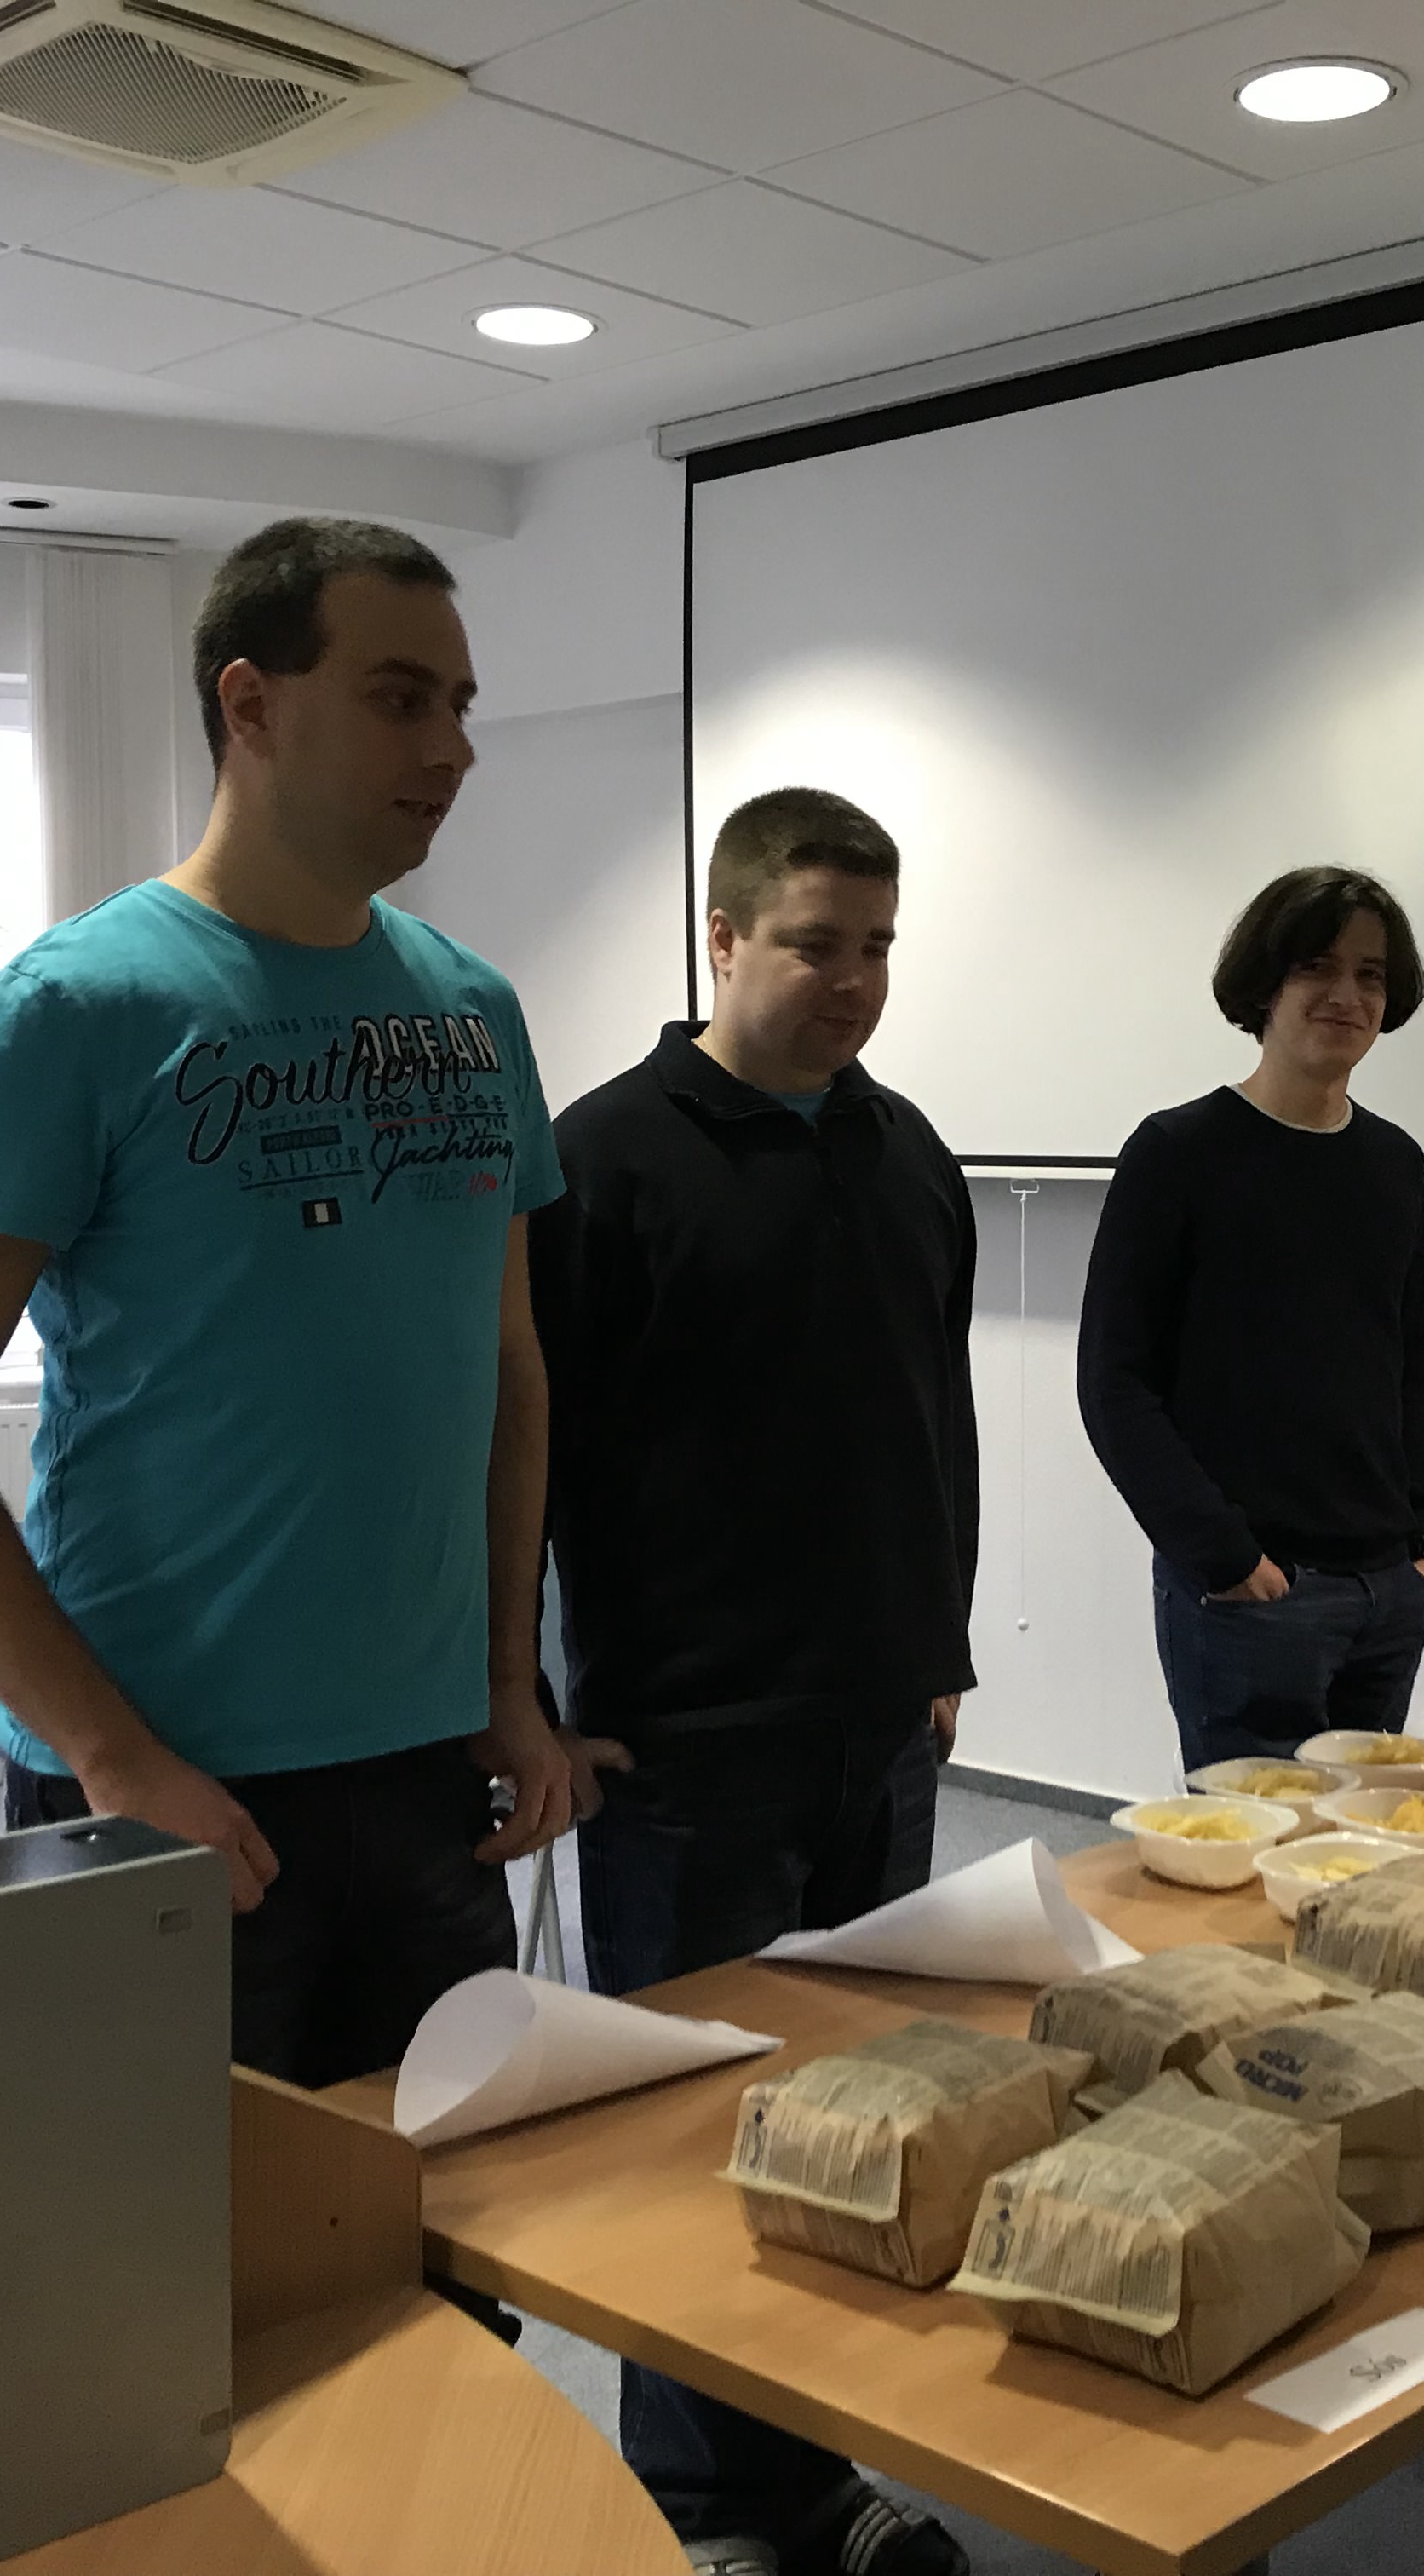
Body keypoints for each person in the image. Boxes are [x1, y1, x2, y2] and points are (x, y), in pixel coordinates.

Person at [0, 515, 573, 2098]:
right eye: (398, 698)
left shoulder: (474, 1011)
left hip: (426, 1771)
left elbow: (506, 1373)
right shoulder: (74, 1009)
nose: (450, 747)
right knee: (169, 2241)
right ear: (250, 702)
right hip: (169, 1785)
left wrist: (509, 1683)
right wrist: (111, 1755)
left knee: (433, 2218)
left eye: (458, 704)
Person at [534, 785, 977, 2576]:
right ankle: (705, 2505)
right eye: (813, 943)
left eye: (876, 947)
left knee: (857, 2125)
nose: (852, 979)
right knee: (697, 2135)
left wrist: (940, 1645)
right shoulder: (602, 1160)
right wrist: (529, 1696)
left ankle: (820, 2473)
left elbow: (931, 1416)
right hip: (685, 1743)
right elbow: (527, 1454)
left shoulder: (907, 1146)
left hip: (880, 1728)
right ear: (721, 938)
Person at [1077, 866, 1424, 1770]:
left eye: (1370, 974)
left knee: (1368, 1841)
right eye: (1316, 967)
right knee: (1251, 1850)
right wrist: (1220, 1553)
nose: (1347, 994)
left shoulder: (1394, 1162)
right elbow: (1114, 1383)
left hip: (1388, 1587)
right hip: (1253, 1592)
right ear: (1264, 986)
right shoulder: (1177, 1153)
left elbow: (1408, 1363)